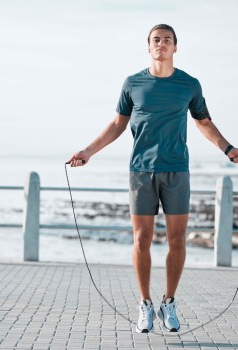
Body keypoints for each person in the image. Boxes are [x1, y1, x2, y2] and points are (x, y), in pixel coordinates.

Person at [67, 24, 238, 333]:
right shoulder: (133, 83)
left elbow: (204, 122)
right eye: (156, 40)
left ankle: (169, 302)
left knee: (176, 239)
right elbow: (118, 123)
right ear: (149, 47)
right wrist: (88, 151)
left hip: (177, 170)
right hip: (141, 171)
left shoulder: (189, 84)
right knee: (142, 239)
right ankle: (145, 305)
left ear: (175, 47)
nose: (161, 44)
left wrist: (228, 149)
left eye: (167, 40)